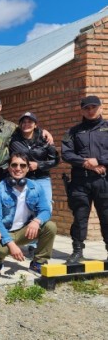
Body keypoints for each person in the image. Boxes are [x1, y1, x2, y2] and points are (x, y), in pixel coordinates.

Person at [0, 152, 56, 274]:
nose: (18, 169)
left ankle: (38, 263)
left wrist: (36, 221)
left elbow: (46, 210)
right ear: (9, 167)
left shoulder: (36, 187)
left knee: (50, 227)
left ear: (28, 168)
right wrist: (11, 244)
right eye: (14, 165)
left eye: (22, 165)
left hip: (24, 231)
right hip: (4, 232)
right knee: (1, 250)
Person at [61, 95, 108, 264]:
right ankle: (77, 251)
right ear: (82, 110)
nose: (90, 111)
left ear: (100, 108)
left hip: (104, 181)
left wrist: (100, 160)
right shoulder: (73, 132)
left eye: (93, 107)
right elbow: (66, 154)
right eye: (86, 108)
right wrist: (86, 163)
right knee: (80, 217)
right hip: (80, 181)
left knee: (106, 216)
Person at [9, 111, 59, 258]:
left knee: (45, 207)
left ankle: (38, 244)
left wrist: (39, 165)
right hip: (23, 179)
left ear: (35, 124)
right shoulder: (14, 139)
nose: (26, 124)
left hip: (42, 178)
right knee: (27, 209)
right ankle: (28, 241)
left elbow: (55, 160)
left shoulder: (44, 139)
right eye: (23, 122)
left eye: (30, 122)